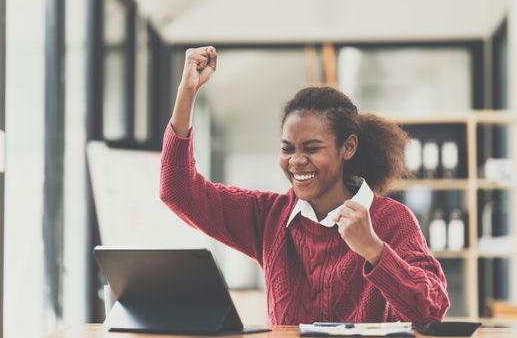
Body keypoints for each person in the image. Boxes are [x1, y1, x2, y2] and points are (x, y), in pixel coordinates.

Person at [160, 46, 450, 325]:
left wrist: (374, 250)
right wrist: (187, 92)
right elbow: (179, 191)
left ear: (347, 148)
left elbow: (432, 309)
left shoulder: (391, 219)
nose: (296, 161)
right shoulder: (269, 216)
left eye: (311, 148)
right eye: (287, 149)